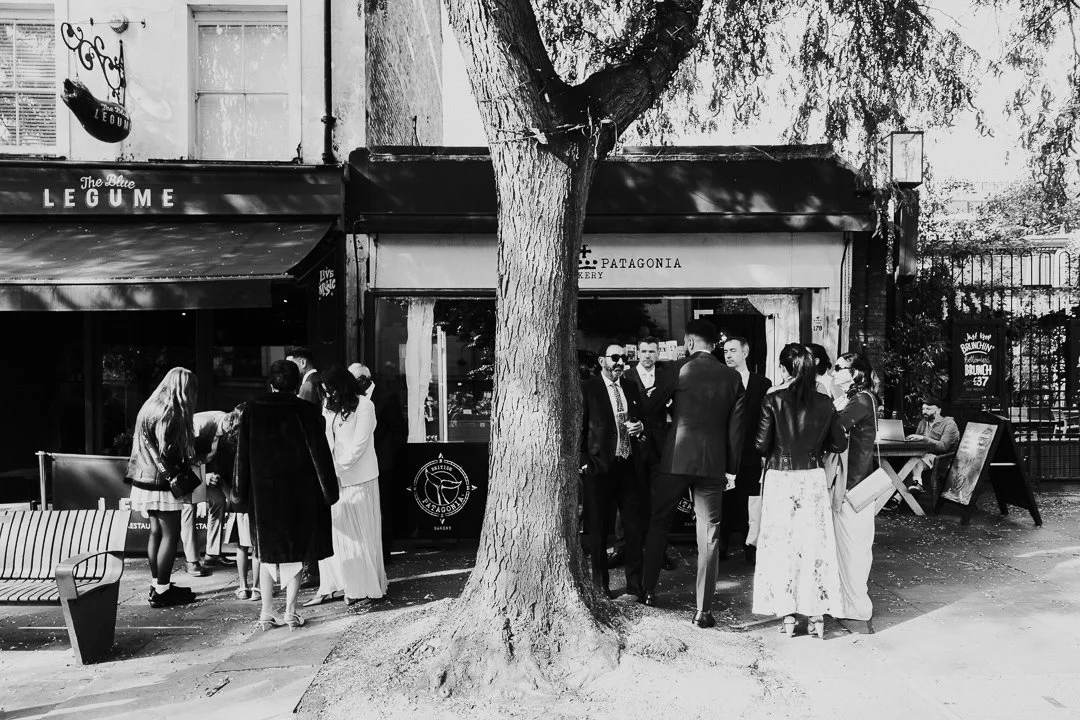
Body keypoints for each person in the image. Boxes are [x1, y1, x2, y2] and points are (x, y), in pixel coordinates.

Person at [641, 319, 745, 628]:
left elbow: (650, 407)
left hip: (675, 458)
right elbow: (736, 431)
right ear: (715, 345)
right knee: (709, 534)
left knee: (659, 522)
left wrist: (665, 437)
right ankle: (703, 610)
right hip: (713, 463)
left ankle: (648, 590)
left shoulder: (677, 370)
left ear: (688, 342)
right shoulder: (732, 378)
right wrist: (731, 469)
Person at [233, 360, 339, 630]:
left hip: (263, 493)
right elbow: (320, 455)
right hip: (299, 492)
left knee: (266, 552)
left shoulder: (251, 410)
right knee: (296, 551)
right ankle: (290, 611)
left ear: (270, 382)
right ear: (296, 384)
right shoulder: (306, 411)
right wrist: (330, 492)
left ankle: (266, 612)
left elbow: (241, 457)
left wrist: (238, 494)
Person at [751, 344, 847, 638]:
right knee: (814, 544)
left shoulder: (773, 399)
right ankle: (817, 614)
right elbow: (840, 444)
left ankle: (788, 615)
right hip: (812, 478)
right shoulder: (824, 402)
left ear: (783, 369)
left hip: (781, 477)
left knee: (782, 546)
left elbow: (760, 444)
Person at [306, 366, 388, 606]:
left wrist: (336, 469)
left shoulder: (364, 406)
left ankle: (363, 586)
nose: (329, 395)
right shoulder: (329, 407)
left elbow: (359, 445)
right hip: (335, 479)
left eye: (331, 390)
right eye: (325, 392)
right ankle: (339, 583)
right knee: (338, 535)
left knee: (360, 536)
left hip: (359, 477)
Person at [125, 367, 199, 608]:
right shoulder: (172, 412)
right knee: (170, 534)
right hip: (163, 484)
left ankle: (158, 583)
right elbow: (170, 452)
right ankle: (163, 591)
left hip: (144, 479)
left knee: (156, 532)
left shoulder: (148, 407)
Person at [580, 343, 648, 599]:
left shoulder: (630, 387)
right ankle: (601, 586)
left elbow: (644, 423)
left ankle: (635, 586)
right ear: (602, 361)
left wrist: (641, 428)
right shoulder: (589, 388)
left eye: (623, 358)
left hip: (628, 465)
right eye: (615, 357)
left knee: (633, 527)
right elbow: (580, 426)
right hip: (599, 468)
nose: (620, 362)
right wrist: (584, 460)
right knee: (598, 529)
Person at [611, 336, 672, 570]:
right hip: (632, 447)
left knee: (658, 501)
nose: (647, 355)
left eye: (652, 352)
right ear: (638, 353)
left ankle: (658, 552)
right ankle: (621, 548)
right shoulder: (626, 377)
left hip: (657, 448)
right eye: (644, 351)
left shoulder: (666, 378)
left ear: (657, 354)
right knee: (627, 499)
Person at [831, 352, 879, 623]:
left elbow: (835, 429)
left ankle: (856, 604)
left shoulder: (860, 400)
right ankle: (851, 600)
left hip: (854, 482)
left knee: (853, 545)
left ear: (856, 373)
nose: (835, 371)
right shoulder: (859, 398)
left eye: (840, 368)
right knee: (852, 544)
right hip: (856, 480)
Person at [720, 335, 772, 564]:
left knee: (751, 500)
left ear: (746, 352)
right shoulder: (719, 380)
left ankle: (751, 545)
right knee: (723, 500)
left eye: (733, 350)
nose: (728, 355)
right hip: (724, 452)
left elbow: (766, 420)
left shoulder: (763, 383)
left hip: (752, 452)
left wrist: (764, 452)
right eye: (725, 351)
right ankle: (720, 546)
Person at [349, 362, 407, 564]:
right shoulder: (353, 400)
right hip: (361, 464)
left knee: (384, 508)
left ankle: (383, 553)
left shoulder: (386, 397)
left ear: (363, 380)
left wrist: (388, 457)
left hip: (382, 464)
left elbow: (399, 432)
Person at [208, 404, 260, 600]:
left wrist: (229, 493)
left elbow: (221, 473)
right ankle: (256, 588)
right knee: (256, 546)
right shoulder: (257, 440)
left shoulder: (226, 444)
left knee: (241, 546)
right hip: (255, 498)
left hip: (236, 497)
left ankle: (243, 586)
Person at [179, 410, 231, 578]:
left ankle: (212, 554)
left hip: (202, 469)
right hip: (184, 470)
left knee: (218, 500)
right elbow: (184, 455)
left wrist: (213, 475)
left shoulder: (227, 429)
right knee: (189, 508)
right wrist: (204, 477)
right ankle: (192, 560)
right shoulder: (202, 424)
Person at [904, 396, 960, 494]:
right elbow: (918, 442)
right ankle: (903, 494)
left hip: (941, 458)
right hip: (923, 455)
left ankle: (905, 493)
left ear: (938, 410)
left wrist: (923, 438)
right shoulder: (923, 423)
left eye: (928, 409)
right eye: (923, 409)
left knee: (914, 462)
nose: (924, 411)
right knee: (905, 462)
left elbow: (943, 447)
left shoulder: (949, 424)